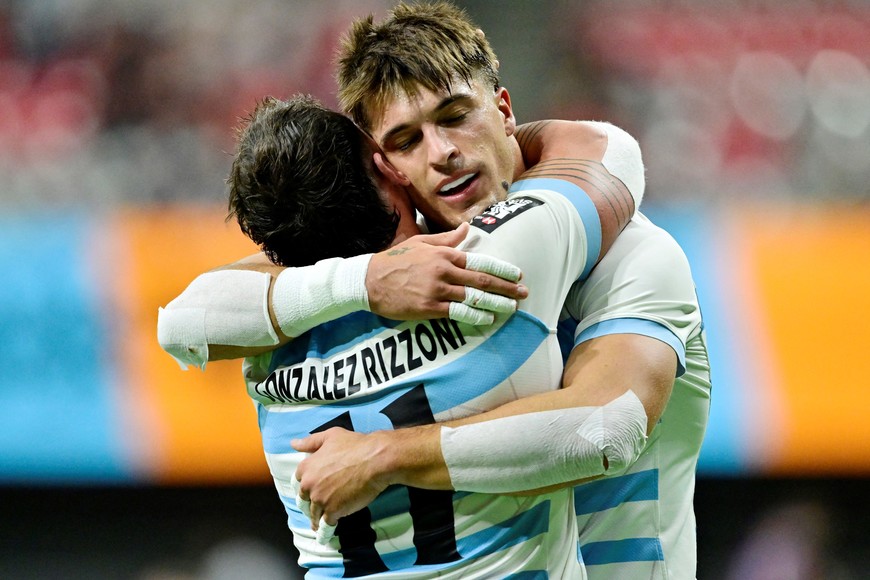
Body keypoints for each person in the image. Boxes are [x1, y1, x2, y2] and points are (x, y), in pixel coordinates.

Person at [159, 2, 710, 578]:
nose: (442, 152)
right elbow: (188, 317)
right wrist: (366, 280)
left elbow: (606, 429)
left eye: (454, 116)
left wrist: (385, 455)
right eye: (406, 140)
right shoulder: (394, 275)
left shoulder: (634, 255)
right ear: (385, 167)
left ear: (504, 110)